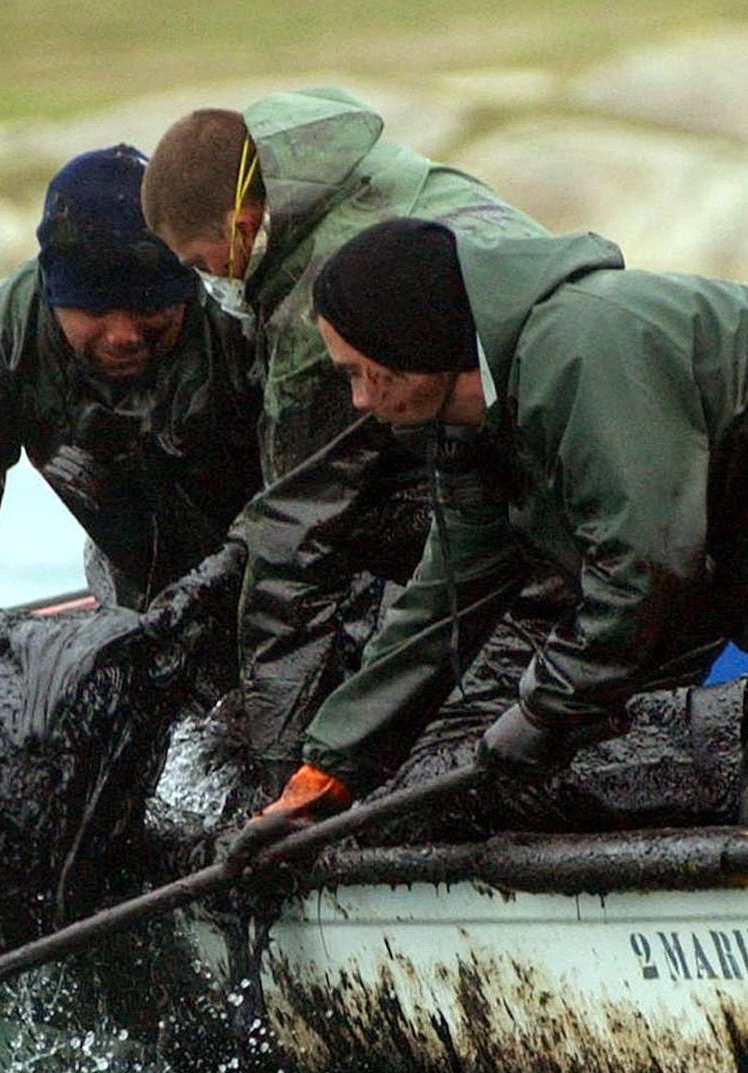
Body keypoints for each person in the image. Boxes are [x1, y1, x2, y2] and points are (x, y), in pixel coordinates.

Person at [236, 218, 748, 850]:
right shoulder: (474, 423)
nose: (352, 401)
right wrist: (328, 771)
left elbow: (650, 571)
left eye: (354, 372)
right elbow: (439, 606)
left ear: (409, 344)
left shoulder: (582, 347)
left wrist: (540, 717)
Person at [141, 88, 548, 786]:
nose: (209, 283)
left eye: (206, 265)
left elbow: (295, 540)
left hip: (536, 461)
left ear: (242, 224)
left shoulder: (321, 308)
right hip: (537, 404)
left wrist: (282, 771)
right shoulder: (359, 173)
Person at [0, 145, 260, 630]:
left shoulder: (241, 314)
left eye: (148, 308)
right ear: (54, 296)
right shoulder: (8, 336)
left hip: (270, 571)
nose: (123, 334)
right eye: (95, 310)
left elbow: (316, 498)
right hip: (138, 593)